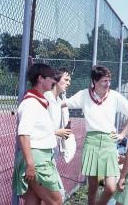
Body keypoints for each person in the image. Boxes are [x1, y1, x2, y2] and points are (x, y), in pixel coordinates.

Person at [64, 65, 128, 205]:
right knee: (92, 186)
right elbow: (64, 104)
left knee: (110, 187)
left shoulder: (114, 96)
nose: (108, 84)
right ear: (95, 81)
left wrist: (122, 134)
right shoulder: (84, 95)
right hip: (91, 142)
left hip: (109, 142)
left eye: (109, 80)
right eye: (104, 80)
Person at [12, 63, 62, 205]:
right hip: (37, 160)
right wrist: (30, 164)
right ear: (41, 79)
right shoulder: (31, 103)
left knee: (33, 202)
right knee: (56, 202)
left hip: (39, 159)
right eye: (51, 78)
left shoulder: (38, 102)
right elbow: (23, 134)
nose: (54, 81)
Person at [44, 67, 72, 200]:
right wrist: (57, 132)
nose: (68, 83)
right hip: (43, 153)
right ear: (56, 80)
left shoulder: (60, 101)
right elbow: (39, 128)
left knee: (43, 197)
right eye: (66, 79)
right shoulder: (46, 99)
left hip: (52, 152)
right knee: (58, 195)